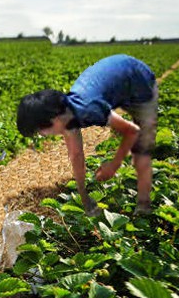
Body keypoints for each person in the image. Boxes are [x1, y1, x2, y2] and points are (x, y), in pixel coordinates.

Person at [17, 54, 158, 216]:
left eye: (41, 131)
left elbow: (132, 130)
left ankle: (144, 206)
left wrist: (113, 165)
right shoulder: (65, 114)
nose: (43, 135)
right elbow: (76, 155)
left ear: (55, 119)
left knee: (142, 147)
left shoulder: (90, 109)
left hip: (139, 80)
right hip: (118, 78)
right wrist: (85, 199)